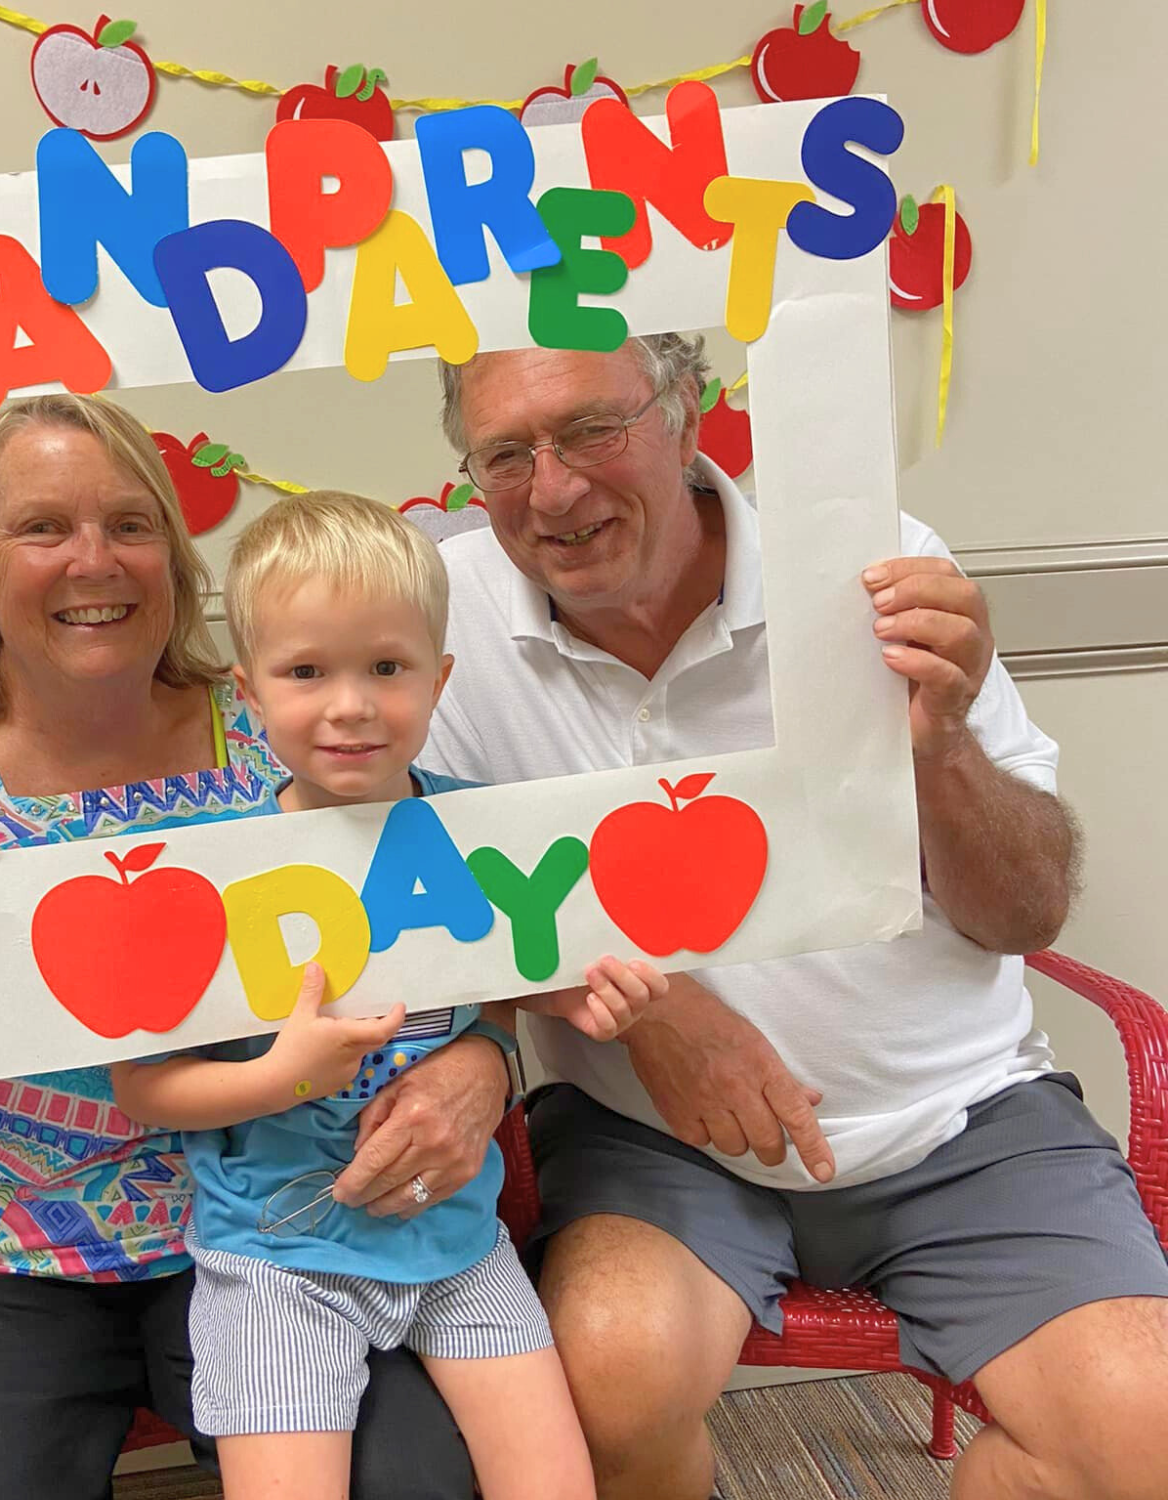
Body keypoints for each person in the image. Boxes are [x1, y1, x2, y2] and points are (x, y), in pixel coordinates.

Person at [0, 396, 503, 1500]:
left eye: (131, 523)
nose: (93, 560)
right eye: (41, 529)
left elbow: (467, 934)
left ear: (175, 559)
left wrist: (482, 1062)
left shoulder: (299, 733)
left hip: (280, 1220)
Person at [419, 336, 1168, 1500]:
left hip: (962, 1118)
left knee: (1144, 1438)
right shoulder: (442, 615)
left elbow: (1028, 910)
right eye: (505, 452)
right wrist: (646, 1011)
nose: (553, 490)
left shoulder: (880, 567)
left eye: (593, 430)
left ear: (690, 416)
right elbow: (421, 911)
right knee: (605, 1382)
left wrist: (943, 747)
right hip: (652, 1142)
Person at [114, 491, 663, 1500]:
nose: (351, 705)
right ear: (249, 691)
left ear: (438, 677)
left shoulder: (479, 830)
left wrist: (581, 999)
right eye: (306, 672)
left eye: (386, 668)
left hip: (458, 1245)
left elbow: (524, 969)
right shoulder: (211, 870)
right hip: (277, 1265)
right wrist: (277, 1077)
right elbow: (144, 1085)